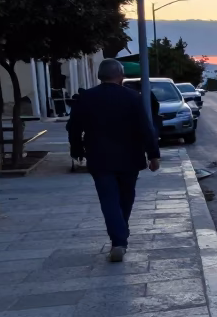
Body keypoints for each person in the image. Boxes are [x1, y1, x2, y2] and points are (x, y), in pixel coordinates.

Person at [67, 59, 161, 262]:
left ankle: (118, 240)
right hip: (129, 158)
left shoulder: (87, 98)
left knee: (108, 200)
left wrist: (77, 149)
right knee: (126, 199)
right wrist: (153, 155)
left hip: (99, 158)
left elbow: (73, 127)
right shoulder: (132, 97)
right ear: (120, 75)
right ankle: (120, 237)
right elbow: (146, 128)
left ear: (100, 75)